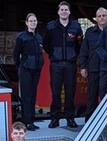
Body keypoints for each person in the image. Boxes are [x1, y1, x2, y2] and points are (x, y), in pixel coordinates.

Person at [43, 1, 83, 129]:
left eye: (66, 9)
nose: (64, 12)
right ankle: (55, 118)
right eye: (62, 10)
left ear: (69, 12)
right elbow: (46, 44)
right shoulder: (51, 26)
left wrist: (72, 55)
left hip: (71, 65)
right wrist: (55, 54)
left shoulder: (76, 27)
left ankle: (70, 118)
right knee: (56, 92)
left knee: (70, 92)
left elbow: (79, 44)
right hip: (56, 64)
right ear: (58, 11)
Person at [13, 13, 44, 131]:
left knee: (33, 95)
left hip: (36, 69)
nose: (33, 23)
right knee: (26, 96)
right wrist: (20, 66)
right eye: (31, 21)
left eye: (35, 21)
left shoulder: (39, 37)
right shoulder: (22, 37)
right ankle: (27, 122)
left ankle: (32, 120)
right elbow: (16, 54)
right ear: (26, 23)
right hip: (25, 69)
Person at [79, 8, 107, 121]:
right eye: (99, 16)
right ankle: (89, 122)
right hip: (93, 69)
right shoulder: (89, 32)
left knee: (106, 96)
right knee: (92, 97)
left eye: (104, 15)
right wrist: (83, 67)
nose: (102, 18)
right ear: (96, 18)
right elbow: (84, 51)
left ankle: (105, 120)